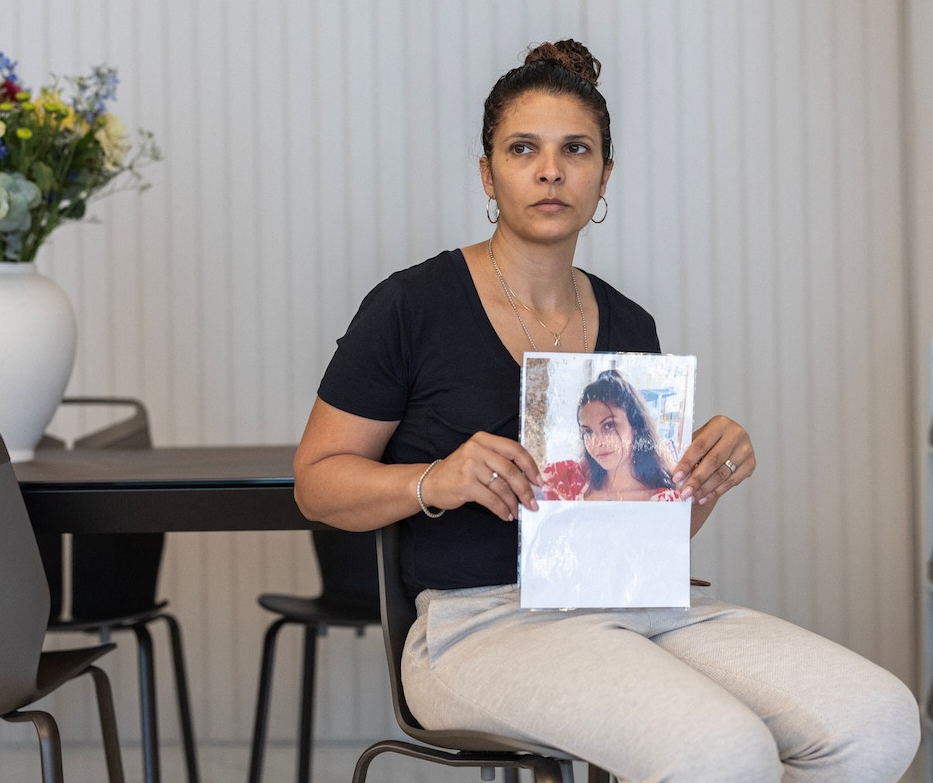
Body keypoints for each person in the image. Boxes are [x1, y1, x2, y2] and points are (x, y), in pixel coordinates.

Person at [293, 39, 919, 781]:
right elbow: (317, 483)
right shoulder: (411, 306)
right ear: (487, 173)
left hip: (631, 608)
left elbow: (645, 534)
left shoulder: (629, 325)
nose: (550, 170)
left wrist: (702, 480)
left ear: (605, 175)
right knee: (720, 750)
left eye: (576, 150)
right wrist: (436, 480)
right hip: (479, 625)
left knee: (878, 719)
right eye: (523, 148)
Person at [541, 369, 680, 502]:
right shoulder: (566, 482)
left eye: (609, 426)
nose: (597, 442)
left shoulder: (664, 501)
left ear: (635, 425)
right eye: (588, 432)